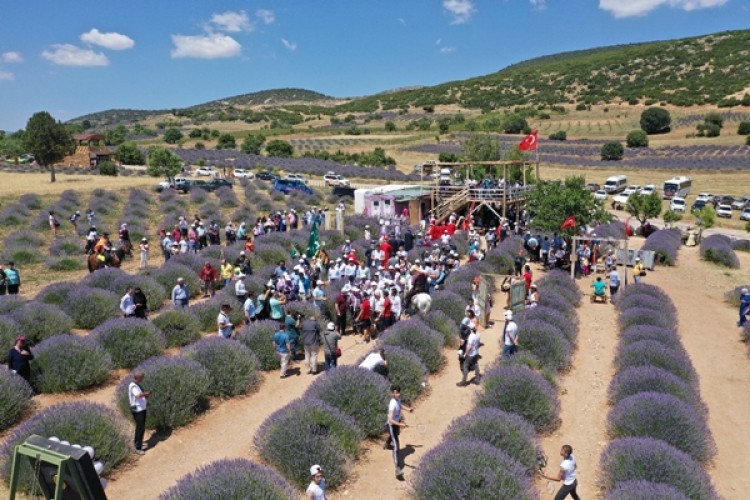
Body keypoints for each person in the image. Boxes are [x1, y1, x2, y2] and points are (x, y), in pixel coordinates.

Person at [386, 384, 412, 478]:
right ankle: (397, 469)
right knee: (396, 446)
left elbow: (400, 406)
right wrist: (401, 424)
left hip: (396, 424)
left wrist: (408, 409)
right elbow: (390, 420)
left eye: (399, 392)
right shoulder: (392, 404)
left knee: (395, 435)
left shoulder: (398, 400)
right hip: (392, 425)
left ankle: (387, 444)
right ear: (392, 393)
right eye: (396, 393)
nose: (398, 394)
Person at [128, 369, 152, 456]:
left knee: (141, 427)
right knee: (140, 428)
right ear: (139, 378)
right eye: (142, 377)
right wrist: (146, 394)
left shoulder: (136, 384)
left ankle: (138, 443)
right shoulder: (133, 386)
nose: (143, 379)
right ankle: (137, 448)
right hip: (138, 410)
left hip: (141, 409)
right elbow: (138, 395)